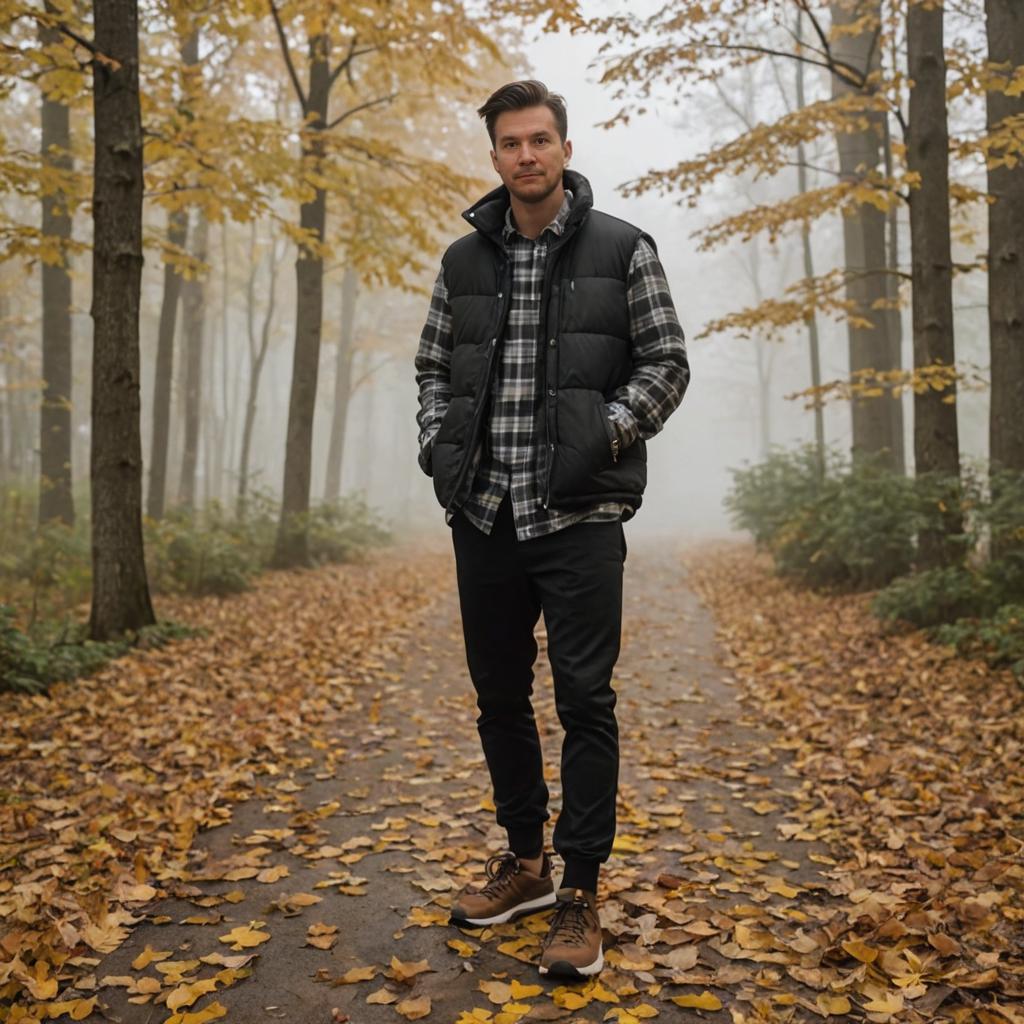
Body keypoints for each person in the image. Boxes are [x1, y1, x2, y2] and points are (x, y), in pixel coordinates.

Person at [413, 80, 689, 978]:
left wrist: (605, 431)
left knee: (584, 703)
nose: (525, 156)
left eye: (540, 140)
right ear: (492, 155)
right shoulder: (463, 262)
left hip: (579, 516)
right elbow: (430, 368)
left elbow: (667, 363)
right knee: (498, 696)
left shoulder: (625, 248)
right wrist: (437, 444)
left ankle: (579, 890)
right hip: (485, 513)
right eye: (509, 143)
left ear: (565, 148)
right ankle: (525, 863)